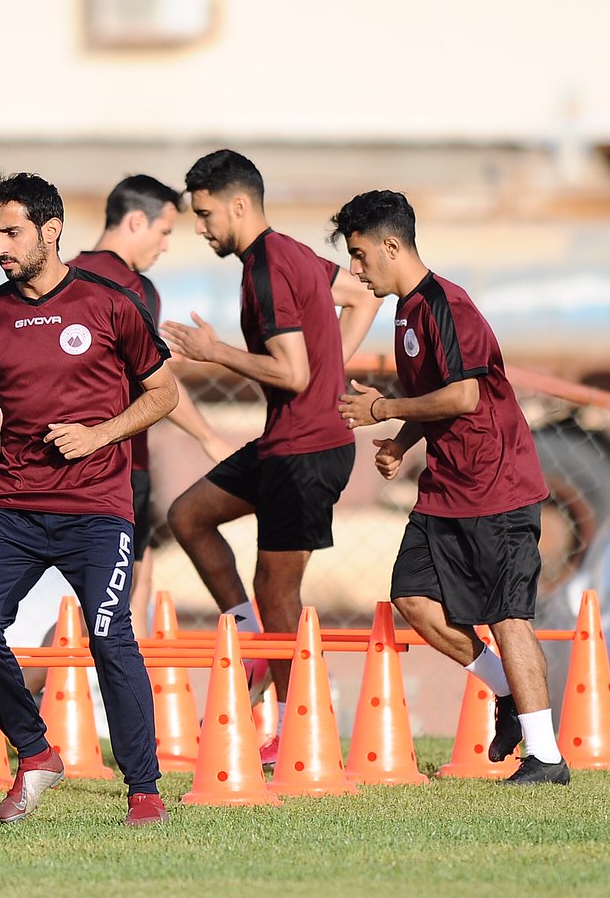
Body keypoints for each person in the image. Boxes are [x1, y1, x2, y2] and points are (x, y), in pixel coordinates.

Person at [0, 171, 177, 826]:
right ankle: (37, 752)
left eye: (11, 233)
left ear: (51, 230)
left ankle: (144, 793)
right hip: (12, 504)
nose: (0, 247)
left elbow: (164, 394)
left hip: (98, 506)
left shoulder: (109, 304)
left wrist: (98, 434)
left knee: (108, 635)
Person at [332, 189, 569, 785]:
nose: (355, 271)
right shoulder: (406, 311)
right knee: (413, 600)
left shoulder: (448, 306)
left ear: (392, 245)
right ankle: (509, 697)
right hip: (446, 489)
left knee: (508, 616)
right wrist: (402, 442)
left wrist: (384, 408)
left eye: (360, 256)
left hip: (498, 487)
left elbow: (464, 395)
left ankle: (546, 757)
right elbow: (438, 399)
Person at [162, 149, 382, 766]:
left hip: (307, 453)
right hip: (285, 441)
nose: (200, 229)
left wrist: (215, 351)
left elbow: (290, 370)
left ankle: (296, 732)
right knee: (188, 516)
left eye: (205, 216)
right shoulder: (290, 254)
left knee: (279, 592)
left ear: (239, 204)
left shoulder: (266, 267)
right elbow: (363, 298)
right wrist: (327, 374)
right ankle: (252, 639)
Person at [70, 175, 234, 637]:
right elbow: (156, 388)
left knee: (97, 600)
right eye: (164, 232)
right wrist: (209, 438)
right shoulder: (133, 288)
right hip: (118, 466)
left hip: (59, 463)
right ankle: (21, 694)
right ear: (136, 220)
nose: (164, 246)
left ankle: (25, 694)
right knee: (126, 590)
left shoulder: (60, 278)